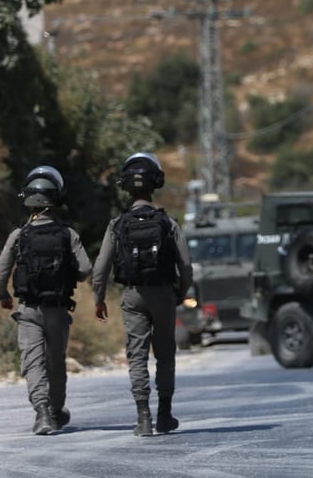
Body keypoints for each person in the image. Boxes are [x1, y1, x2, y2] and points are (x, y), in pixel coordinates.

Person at [91, 152, 193, 437]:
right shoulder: (168, 223)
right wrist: (180, 293)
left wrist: (98, 300)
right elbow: (185, 266)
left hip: (133, 296)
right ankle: (165, 415)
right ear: (155, 184)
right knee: (165, 355)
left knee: (137, 356)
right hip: (164, 294)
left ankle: (143, 418)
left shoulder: (117, 225)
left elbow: (100, 268)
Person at [0, 166, 93, 435]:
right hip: (58, 309)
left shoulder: (18, 235)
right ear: (55, 197)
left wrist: (3, 296)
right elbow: (85, 269)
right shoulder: (68, 234)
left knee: (33, 363)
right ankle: (57, 411)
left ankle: (43, 413)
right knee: (55, 363)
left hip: (28, 309)